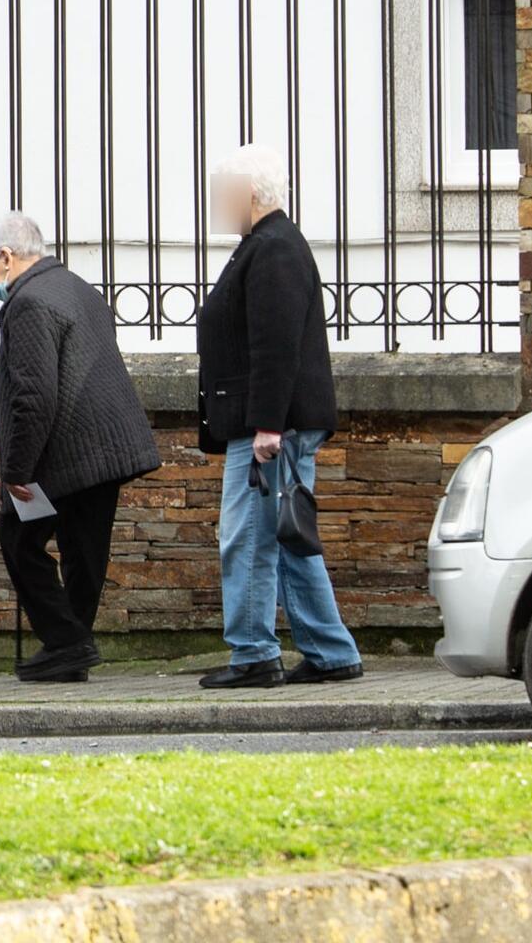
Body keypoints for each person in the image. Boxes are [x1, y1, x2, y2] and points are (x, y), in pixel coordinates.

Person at [194, 143, 364, 689]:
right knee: (289, 535)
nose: (216, 204)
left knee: (247, 539)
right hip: (276, 422)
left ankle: (252, 655)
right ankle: (331, 652)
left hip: (271, 426)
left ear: (248, 193)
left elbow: (275, 346)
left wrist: (267, 425)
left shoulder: (272, 249)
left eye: (223, 193)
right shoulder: (266, 245)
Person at [0, 211, 160, 683]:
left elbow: (33, 395)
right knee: (84, 552)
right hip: (106, 446)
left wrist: (16, 471)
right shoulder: (78, 286)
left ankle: (67, 642)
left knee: (19, 540)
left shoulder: (29, 302)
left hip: (70, 449)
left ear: (5, 256)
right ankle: (71, 648)